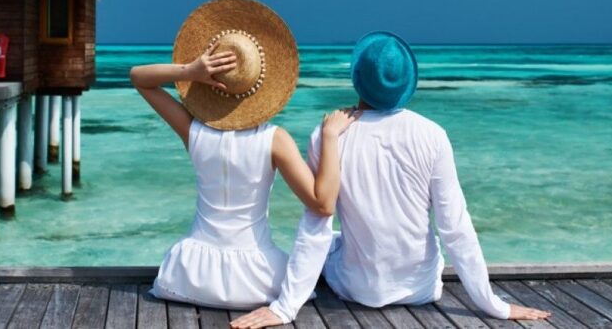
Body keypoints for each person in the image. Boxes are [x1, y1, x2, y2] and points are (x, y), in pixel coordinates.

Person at [231, 31, 552, 328]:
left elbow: (315, 227)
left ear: (356, 79)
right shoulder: (432, 135)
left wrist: (285, 307)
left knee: (331, 239)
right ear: (405, 83)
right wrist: (494, 305)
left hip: (357, 290)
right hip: (422, 288)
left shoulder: (327, 135)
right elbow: (455, 228)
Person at [130, 0, 357, 318]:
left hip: (187, 277)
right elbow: (322, 204)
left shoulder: (193, 132)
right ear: (263, 84)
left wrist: (190, 70)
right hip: (257, 281)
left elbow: (139, 78)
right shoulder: (274, 140)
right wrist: (331, 137)